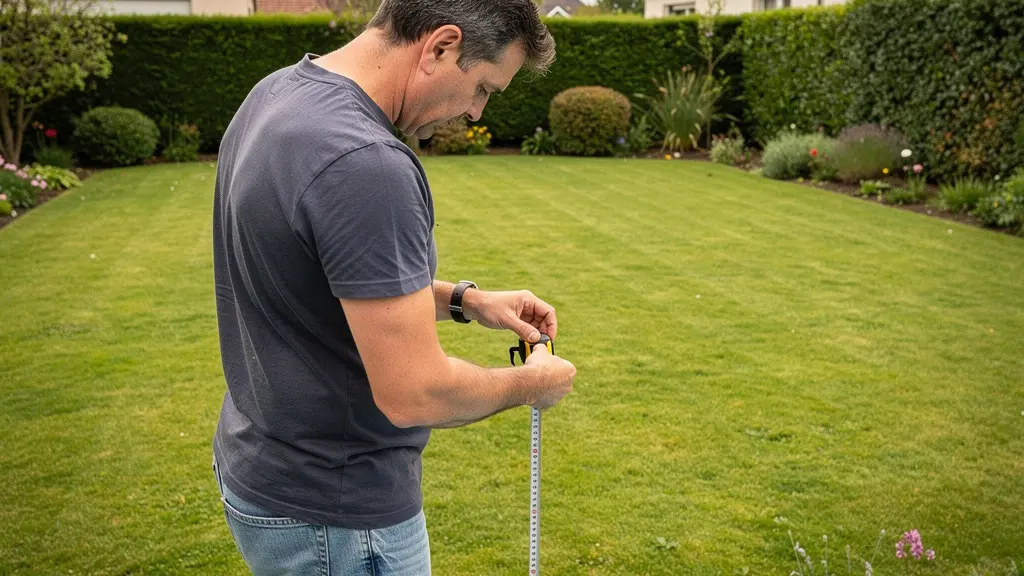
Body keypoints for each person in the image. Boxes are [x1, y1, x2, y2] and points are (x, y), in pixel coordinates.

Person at [210, 1, 577, 574]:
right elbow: (416, 393)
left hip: (264, 467)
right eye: (483, 87)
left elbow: (320, 276)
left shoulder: (280, 95)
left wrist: (465, 299)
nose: (477, 112)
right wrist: (532, 382)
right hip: (338, 512)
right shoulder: (367, 164)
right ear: (441, 46)